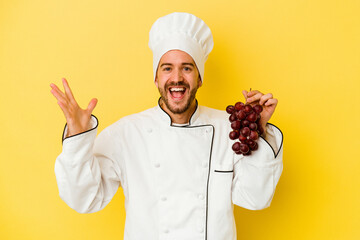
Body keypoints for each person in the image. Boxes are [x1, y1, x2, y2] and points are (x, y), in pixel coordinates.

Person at [51, 12, 283, 240]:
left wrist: (258, 129)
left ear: (200, 78)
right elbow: (84, 199)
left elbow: (256, 198)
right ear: (156, 78)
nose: (177, 78)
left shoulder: (228, 129)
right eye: (167, 68)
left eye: (187, 68)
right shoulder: (127, 133)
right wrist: (78, 138)